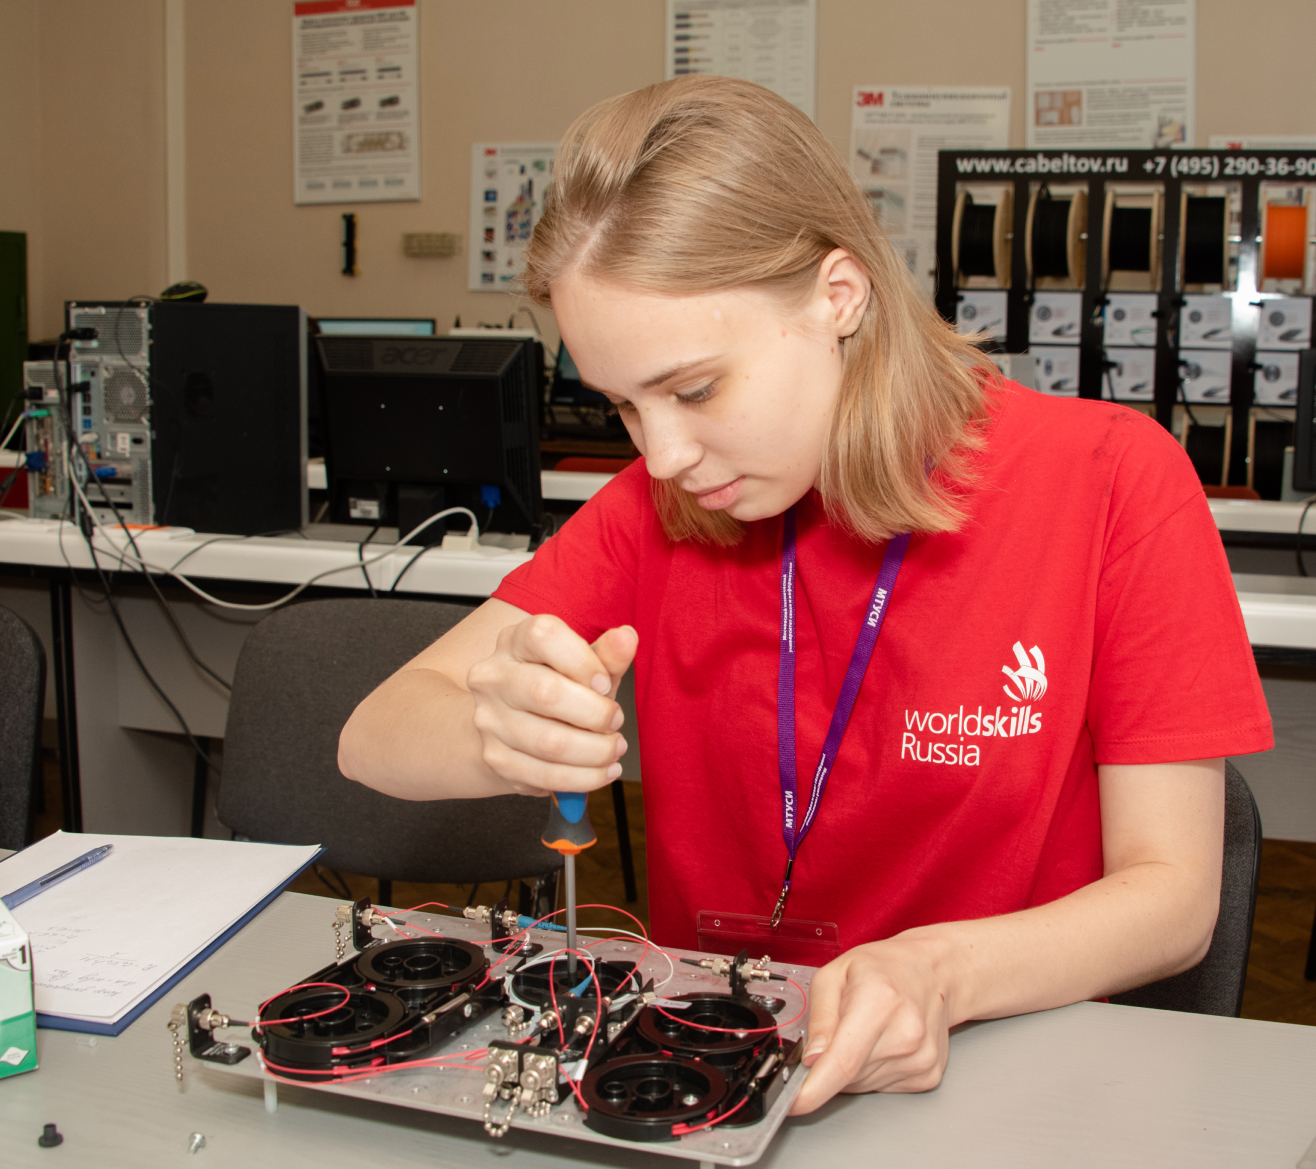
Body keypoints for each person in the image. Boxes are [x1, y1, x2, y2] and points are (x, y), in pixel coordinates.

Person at [338, 76, 1272, 1114]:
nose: (661, 454)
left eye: (694, 389)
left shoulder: (1106, 480)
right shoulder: (657, 507)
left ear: (838, 296)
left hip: (1013, 1072)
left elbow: (1174, 899)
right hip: (713, 1074)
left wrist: (937, 970)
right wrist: (497, 731)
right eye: (621, 404)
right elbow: (372, 737)